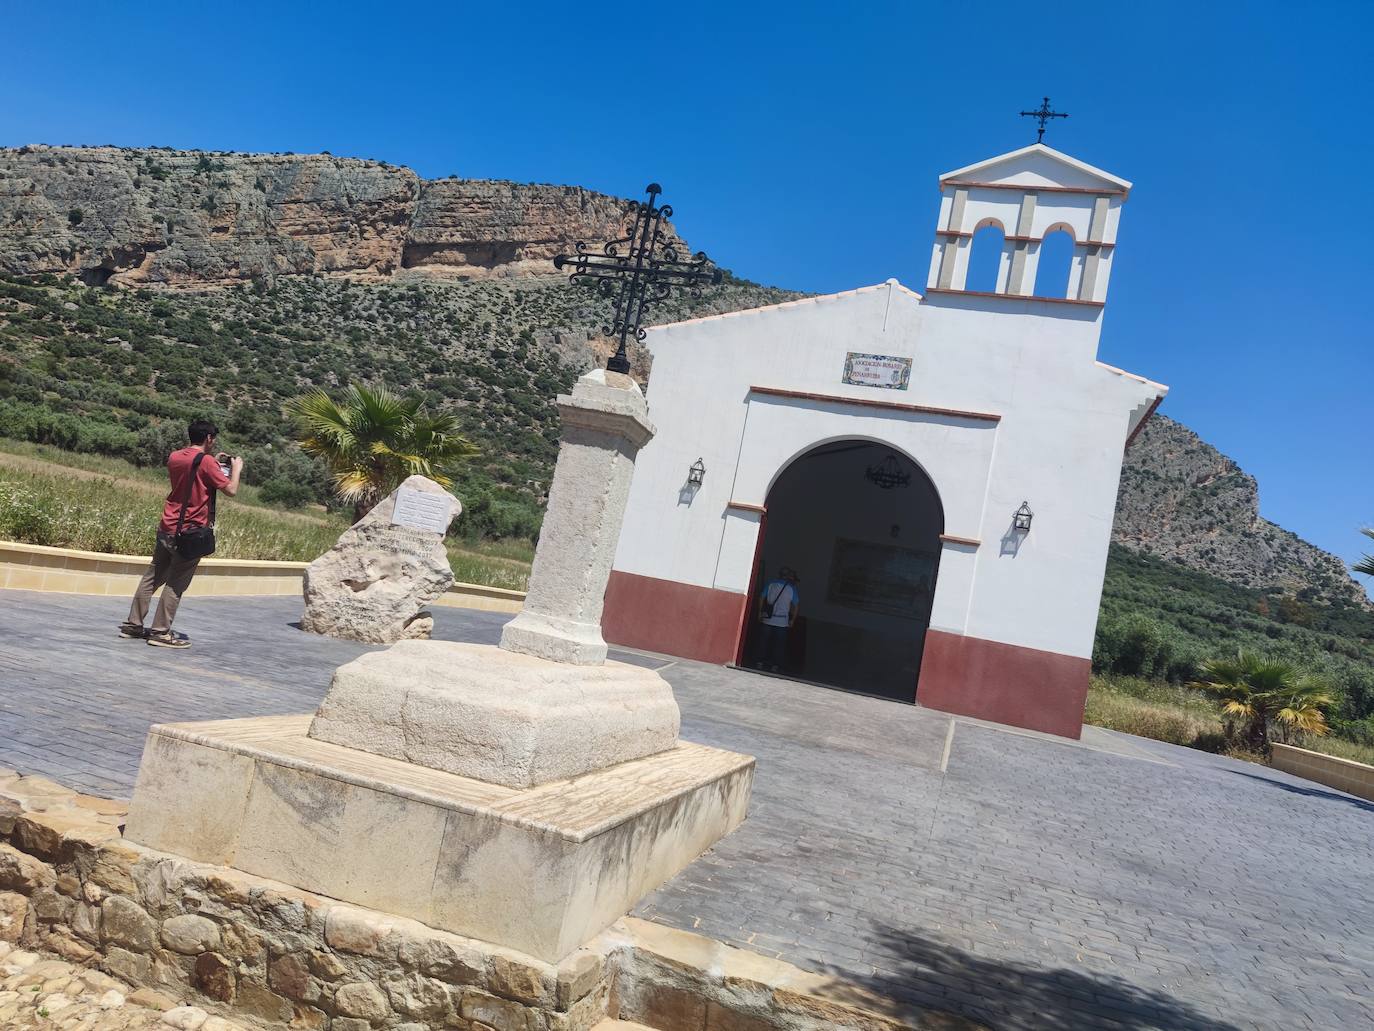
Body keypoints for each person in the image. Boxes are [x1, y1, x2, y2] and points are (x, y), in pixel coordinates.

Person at [119, 419, 243, 648]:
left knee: (152, 577)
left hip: (167, 525)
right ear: (208, 438)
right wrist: (235, 470)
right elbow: (231, 490)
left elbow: (192, 473)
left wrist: (211, 463)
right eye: (213, 439)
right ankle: (160, 632)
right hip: (190, 530)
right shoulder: (206, 462)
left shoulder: (175, 456)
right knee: (176, 583)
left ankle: (133, 625)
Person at [756, 566, 800, 673]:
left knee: (763, 642)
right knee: (779, 645)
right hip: (782, 621)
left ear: (779, 574)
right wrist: (792, 620)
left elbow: (761, 597)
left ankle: (760, 662)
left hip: (767, 618)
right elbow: (796, 605)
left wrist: (759, 612)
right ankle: (775, 665)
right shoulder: (791, 588)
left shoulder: (770, 584)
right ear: (788, 576)